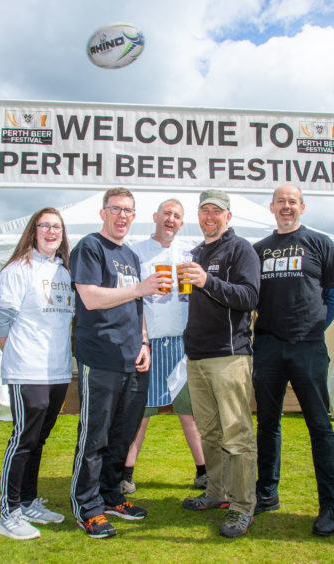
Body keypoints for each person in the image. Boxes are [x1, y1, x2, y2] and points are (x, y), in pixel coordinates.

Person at [68, 187, 170, 539]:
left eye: (129, 210)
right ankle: (88, 506)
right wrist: (140, 289)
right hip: (100, 357)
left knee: (122, 435)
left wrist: (144, 341)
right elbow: (91, 298)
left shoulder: (128, 253)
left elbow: (135, 305)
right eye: (116, 209)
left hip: (133, 359)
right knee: (94, 437)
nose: (123, 216)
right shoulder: (89, 247)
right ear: (103, 213)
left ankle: (111, 496)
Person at [251, 184, 334, 536]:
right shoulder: (258, 250)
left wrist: (315, 326)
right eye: (280, 202)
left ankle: (328, 506)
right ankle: (267, 493)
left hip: (308, 347)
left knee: (319, 426)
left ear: (302, 207)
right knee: (267, 425)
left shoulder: (320, 243)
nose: (286, 207)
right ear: (271, 207)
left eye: (292, 202)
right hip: (269, 347)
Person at [179, 189, 261, 539]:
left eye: (216, 211)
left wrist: (207, 281)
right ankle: (216, 492)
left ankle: (243, 506)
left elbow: (249, 297)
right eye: (204, 211)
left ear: (228, 216)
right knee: (210, 431)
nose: (209, 216)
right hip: (196, 355)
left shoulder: (240, 248)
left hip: (229, 355)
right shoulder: (196, 252)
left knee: (236, 434)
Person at [0, 208, 74, 540]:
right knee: (23, 439)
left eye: (57, 227)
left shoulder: (63, 271)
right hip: (28, 368)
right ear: (33, 230)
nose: (52, 232)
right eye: (45, 226)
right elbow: (0, 319)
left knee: (39, 439)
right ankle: (8, 513)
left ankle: (27, 502)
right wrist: (14, 350)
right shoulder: (17, 269)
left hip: (57, 370)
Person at [122, 199, 207, 495]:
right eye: (167, 214)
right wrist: (140, 337)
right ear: (155, 216)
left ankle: (204, 472)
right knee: (140, 414)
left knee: (190, 413)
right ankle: (126, 473)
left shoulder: (192, 252)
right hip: (148, 341)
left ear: (182, 223)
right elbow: (131, 297)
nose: (171, 220)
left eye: (177, 216)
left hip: (184, 342)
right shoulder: (136, 251)